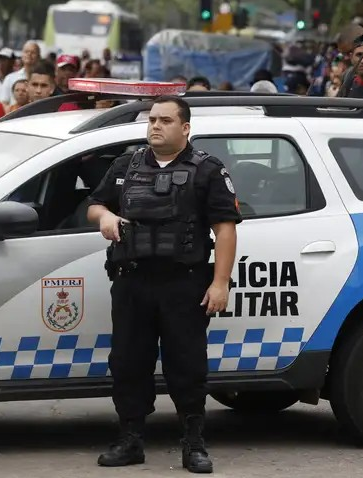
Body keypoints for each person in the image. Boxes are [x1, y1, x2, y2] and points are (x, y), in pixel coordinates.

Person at [86, 95, 241, 474]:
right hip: (132, 281)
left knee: (187, 366)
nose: (155, 126)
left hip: (183, 284)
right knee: (127, 363)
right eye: (152, 119)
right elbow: (93, 205)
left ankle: (193, 443)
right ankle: (131, 440)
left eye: (165, 120)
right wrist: (104, 215)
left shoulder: (207, 170)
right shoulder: (127, 164)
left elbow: (225, 229)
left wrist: (220, 283)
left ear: (185, 128)